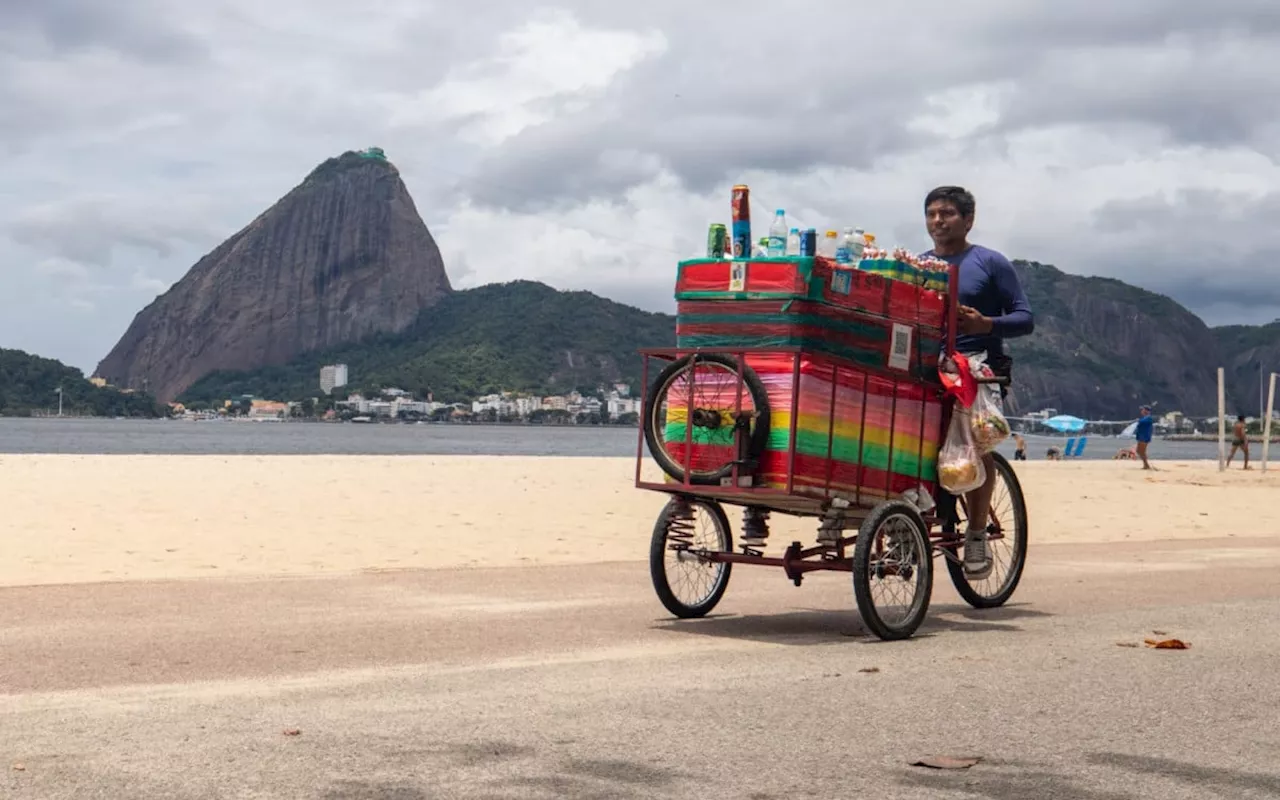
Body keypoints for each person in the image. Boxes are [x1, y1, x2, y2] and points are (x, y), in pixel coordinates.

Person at [923, 186, 1035, 580]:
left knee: (975, 438)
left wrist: (986, 324)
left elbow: (1025, 318)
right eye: (932, 213)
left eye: (948, 213)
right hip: (928, 366)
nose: (939, 220)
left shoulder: (990, 263)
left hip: (977, 366)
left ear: (968, 220)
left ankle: (974, 534)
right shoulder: (919, 267)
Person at [1134, 405, 1155, 470]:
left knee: (1140, 451)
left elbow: (1143, 423)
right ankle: (1146, 465)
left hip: (1144, 437)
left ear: (1146, 411)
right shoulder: (1146, 418)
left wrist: (1139, 421)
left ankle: (1146, 465)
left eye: (1143, 410)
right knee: (1140, 451)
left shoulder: (1148, 418)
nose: (1141, 411)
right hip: (1143, 436)